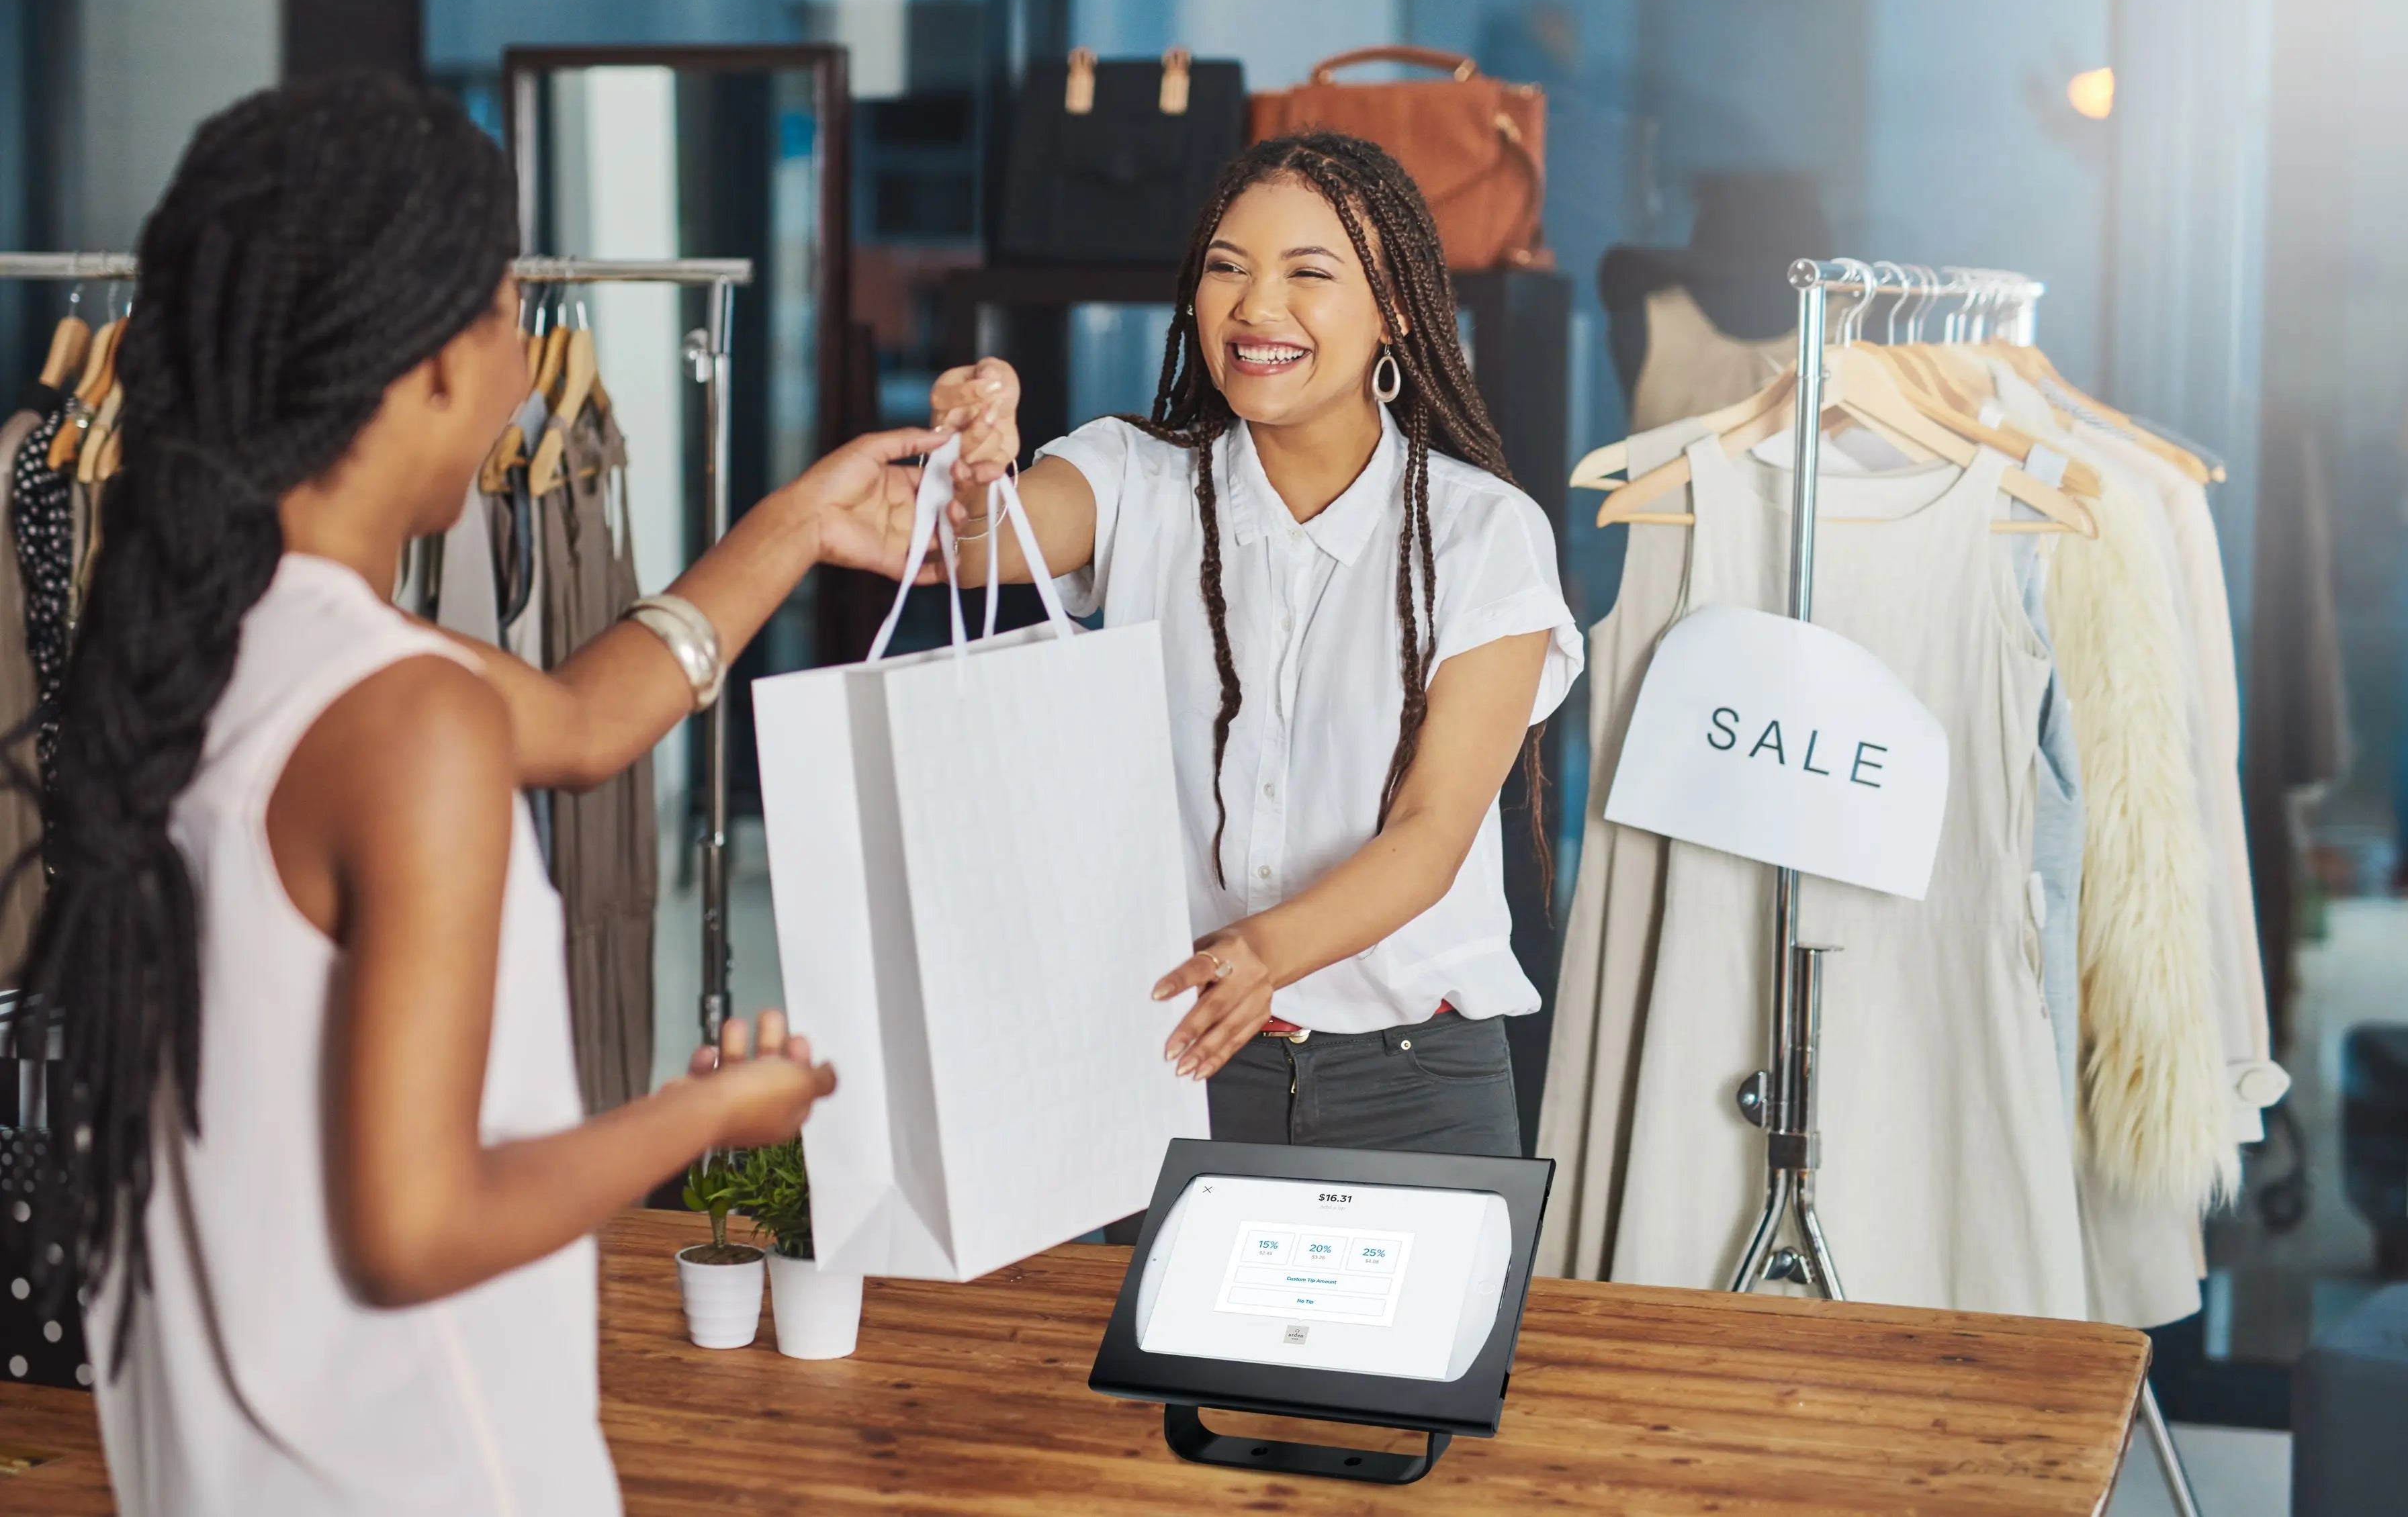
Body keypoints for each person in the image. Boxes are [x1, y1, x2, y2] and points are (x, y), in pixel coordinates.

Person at [11, 73, 983, 1516]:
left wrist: (793, 526)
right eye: (498, 319)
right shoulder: (405, 718)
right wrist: (704, 1120)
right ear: (426, 369)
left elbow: (590, 722)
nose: (524, 370)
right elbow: (415, 1226)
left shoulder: (193, 652)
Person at [926, 132, 1581, 1156]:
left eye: (1306, 275)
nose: (1254, 306)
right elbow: (978, 550)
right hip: (1182, 1061)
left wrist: (1257, 955)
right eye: (1225, 270)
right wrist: (974, 467)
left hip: (1417, 1085)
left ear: (1394, 313)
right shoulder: (1132, 476)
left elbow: (1430, 833)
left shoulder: (1481, 534)